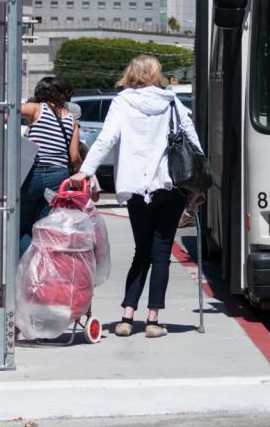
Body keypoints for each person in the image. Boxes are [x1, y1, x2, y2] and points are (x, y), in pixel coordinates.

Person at [70, 55, 204, 338]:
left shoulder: (123, 102)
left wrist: (85, 171)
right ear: (156, 74)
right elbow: (192, 140)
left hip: (135, 188)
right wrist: (198, 183)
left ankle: (127, 316)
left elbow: (106, 139)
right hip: (169, 186)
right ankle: (153, 319)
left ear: (130, 74)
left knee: (141, 252)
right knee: (162, 253)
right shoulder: (170, 102)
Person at [20, 78, 82, 253]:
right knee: (45, 226)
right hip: (59, 176)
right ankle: (42, 268)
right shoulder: (71, 119)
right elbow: (74, 156)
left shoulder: (36, 108)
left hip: (35, 172)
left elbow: (8, 110)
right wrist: (81, 173)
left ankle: (26, 267)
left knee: (23, 225)